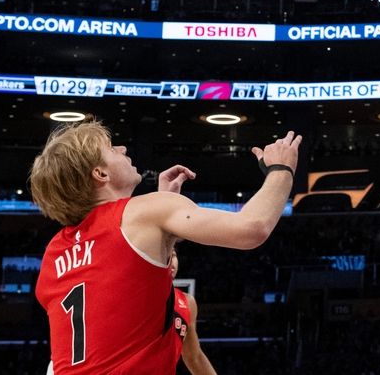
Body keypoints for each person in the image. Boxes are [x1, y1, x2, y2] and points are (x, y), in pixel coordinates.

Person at [31, 121, 299, 373]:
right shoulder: (145, 211)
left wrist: (164, 220)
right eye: (112, 148)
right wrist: (281, 170)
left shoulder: (54, 253)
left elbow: (119, 286)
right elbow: (252, 228)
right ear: (100, 173)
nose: (123, 149)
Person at [169, 249, 217, 375]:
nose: (170, 260)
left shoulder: (187, 302)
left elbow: (194, 357)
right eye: (164, 256)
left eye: (173, 255)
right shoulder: (130, 296)